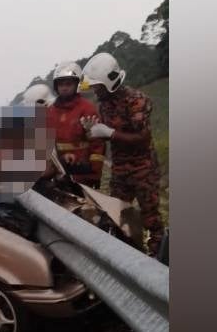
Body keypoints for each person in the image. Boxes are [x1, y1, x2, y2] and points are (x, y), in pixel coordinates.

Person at [81, 52, 164, 255]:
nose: (94, 90)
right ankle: (131, 255)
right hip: (120, 171)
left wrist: (109, 132)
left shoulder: (137, 100)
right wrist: (92, 132)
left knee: (151, 218)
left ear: (109, 83)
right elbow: (107, 137)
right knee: (118, 215)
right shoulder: (104, 105)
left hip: (143, 169)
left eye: (97, 86)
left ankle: (159, 260)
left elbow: (141, 138)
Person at [46, 62, 105, 189]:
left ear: (77, 84)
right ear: (56, 87)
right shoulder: (50, 112)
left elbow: (97, 144)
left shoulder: (87, 109)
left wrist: (95, 174)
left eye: (68, 84)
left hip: (83, 172)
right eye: (61, 84)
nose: (64, 88)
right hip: (59, 172)